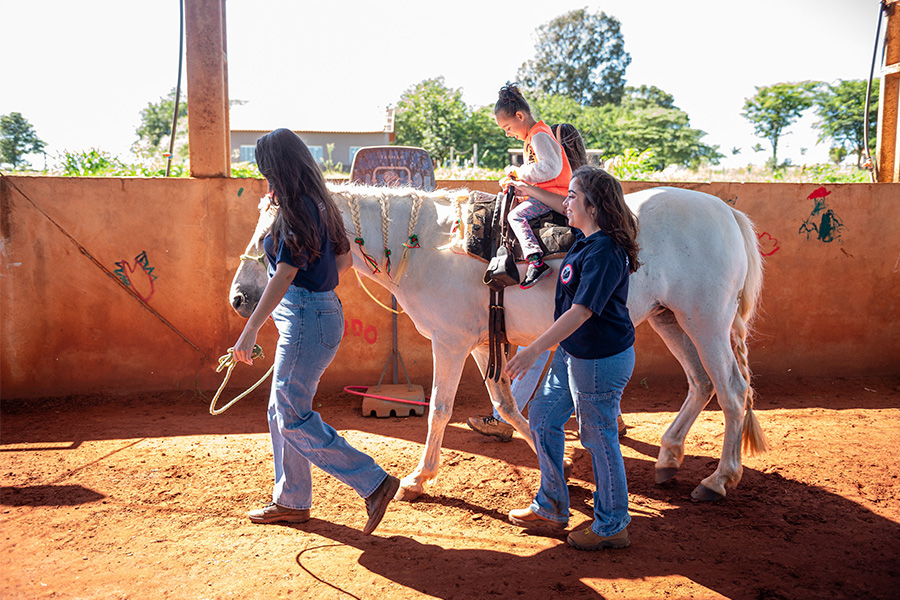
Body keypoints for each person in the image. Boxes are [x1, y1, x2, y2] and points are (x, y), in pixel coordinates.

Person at [232, 128, 399, 534]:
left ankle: (373, 481)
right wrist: (317, 287)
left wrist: (252, 327)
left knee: (290, 414)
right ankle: (291, 499)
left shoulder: (296, 210)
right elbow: (343, 260)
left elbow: (285, 272)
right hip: (316, 314)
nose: (264, 178)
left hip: (307, 317)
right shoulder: (319, 203)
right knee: (281, 410)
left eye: (267, 171)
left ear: (278, 169)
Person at [504, 165, 640, 551]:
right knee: (544, 417)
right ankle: (551, 506)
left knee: (598, 439)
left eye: (572, 196)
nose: (565, 202)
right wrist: (526, 188)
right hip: (574, 352)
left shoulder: (606, 251)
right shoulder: (585, 239)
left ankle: (613, 524)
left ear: (593, 206)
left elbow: (581, 312)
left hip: (598, 359)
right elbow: (554, 202)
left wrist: (532, 350)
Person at [466, 122, 588, 442]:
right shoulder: (581, 189)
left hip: (560, 291)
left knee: (538, 347)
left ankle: (503, 417)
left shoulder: (569, 194)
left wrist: (522, 180)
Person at [493, 84, 572, 289]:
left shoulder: (539, 135)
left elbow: (550, 169)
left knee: (515, 216)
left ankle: (535, 260)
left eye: (507, 128)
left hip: (556, 195)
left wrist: (519, 172)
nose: (508, 134)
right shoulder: (532, 137)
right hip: (546, 192)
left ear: (520, 116)